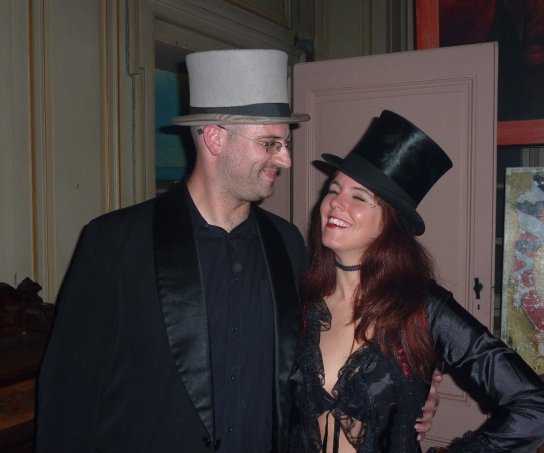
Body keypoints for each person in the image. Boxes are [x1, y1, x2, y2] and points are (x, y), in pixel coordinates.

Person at [35, 50, 439, 452]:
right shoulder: (116, 242)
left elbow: (328, 350)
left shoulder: (287, 243)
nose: (286, 159)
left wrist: (412, 394)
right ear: (215, 138)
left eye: (285, 143)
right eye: (270, 143)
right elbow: (68, 395)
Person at [288, 110, 544, 452]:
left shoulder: (423, 308)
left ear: (390, 223)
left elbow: (536, 410)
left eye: (358, 196)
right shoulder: (302, 300)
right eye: (334, 189)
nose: (335, 204)